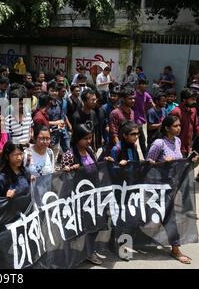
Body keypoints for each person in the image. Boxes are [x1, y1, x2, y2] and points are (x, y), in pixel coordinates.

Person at [146, 115, 193, 264]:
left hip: (173, 186)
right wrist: (162, 163)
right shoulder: (159, 143)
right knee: (170, 218)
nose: (179, 128)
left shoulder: (177, 141)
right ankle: (176, 249)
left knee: (168, 217)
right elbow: (148, 163)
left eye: (179, 125)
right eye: (175, 126)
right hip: (159, 188)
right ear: (167, 128)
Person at [61, 122, 103, 265]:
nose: (88, 141)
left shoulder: (90, 150)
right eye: (85, 138)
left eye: (90, 138)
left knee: (95, 224)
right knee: (77, 227)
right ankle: (70, 254)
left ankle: (89, 251)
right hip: (77, 198)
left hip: (92, 195)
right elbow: (61, 176)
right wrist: (70, 170)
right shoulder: (69, 154)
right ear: (77, 138)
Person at [169, 88, 199, 157]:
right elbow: (169, 132)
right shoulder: (175, 112)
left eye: (195, 99)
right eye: (192, 99)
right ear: (184, 99)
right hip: (176, 149)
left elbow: (196, 128)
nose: (195, 101)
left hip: (187, 147)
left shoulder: (193, 110)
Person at [108, 87, 135, 154]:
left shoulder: (132, 112)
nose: (133, 100)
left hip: (129, 147)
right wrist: (119, 149)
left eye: (134, 98)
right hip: (118, 149)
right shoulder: (115, 113)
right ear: (122, 99)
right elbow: (114, 134)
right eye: (130, 99)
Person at [133, 79, 153, 158]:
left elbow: (151, 102)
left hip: (141, 118)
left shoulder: (146, 94)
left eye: (146, 84)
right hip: (135, 119)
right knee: (139, 139)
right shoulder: (134, 94)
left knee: (141, 140)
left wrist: (146, 108)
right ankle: (143, 157)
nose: (145, 86)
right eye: (143, 84)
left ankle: (145, 157)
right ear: (138, 85)